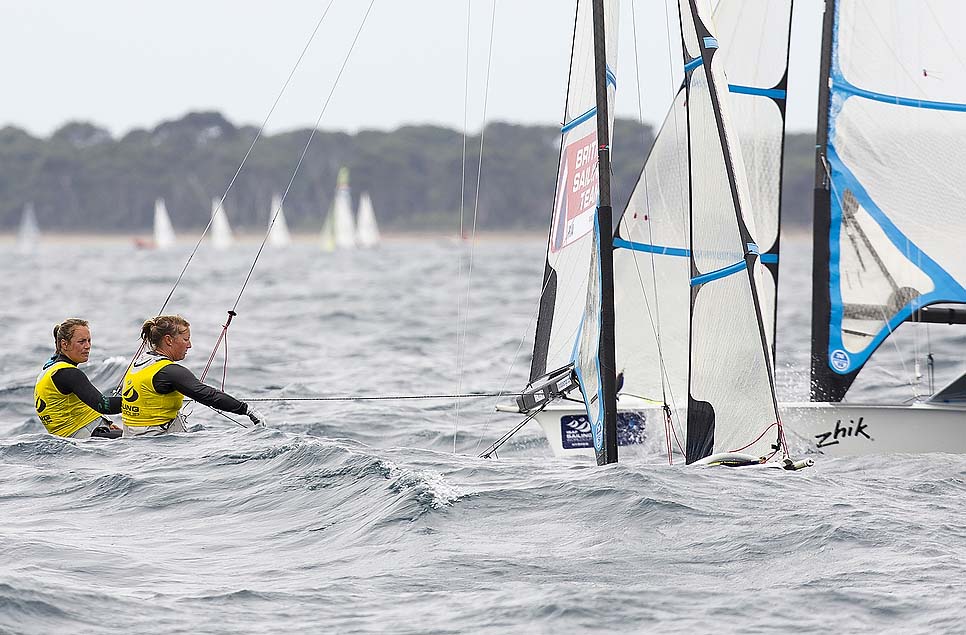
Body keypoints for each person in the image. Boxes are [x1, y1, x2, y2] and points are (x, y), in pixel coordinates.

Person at [120, 315, 265, 436]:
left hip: (132, 441)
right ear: (168, 340)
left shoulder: (139, 363)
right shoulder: (169, 371)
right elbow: (208, 395)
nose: (189, 345)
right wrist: (247, 410)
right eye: (185, 339)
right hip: (157, 446)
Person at [34, 319, 123, 439]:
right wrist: (140, 401)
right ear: (64, 344)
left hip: (74, 437)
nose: (87, 346)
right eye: (81, 342)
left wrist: (106, 423)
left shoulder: (48, 370)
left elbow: (71, 407)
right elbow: (104, 405)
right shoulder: (68, 374)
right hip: (86, 437)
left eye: (89, 341)